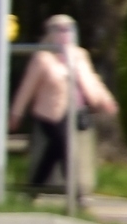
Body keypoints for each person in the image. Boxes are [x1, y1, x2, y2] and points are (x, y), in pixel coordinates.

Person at [8, 14, 117, 193]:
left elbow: (92, 81)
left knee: (53, 153)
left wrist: (106, 100)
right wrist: (16, 113)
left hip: (73, 111)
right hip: (48, 113)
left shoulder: (79, 55)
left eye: (69, 29)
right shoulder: (42, 58)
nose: (65, 33)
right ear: (50, 33)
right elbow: (26, 88)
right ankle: (75, 194)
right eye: (59, 29)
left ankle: (33, 190)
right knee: (63, 148)